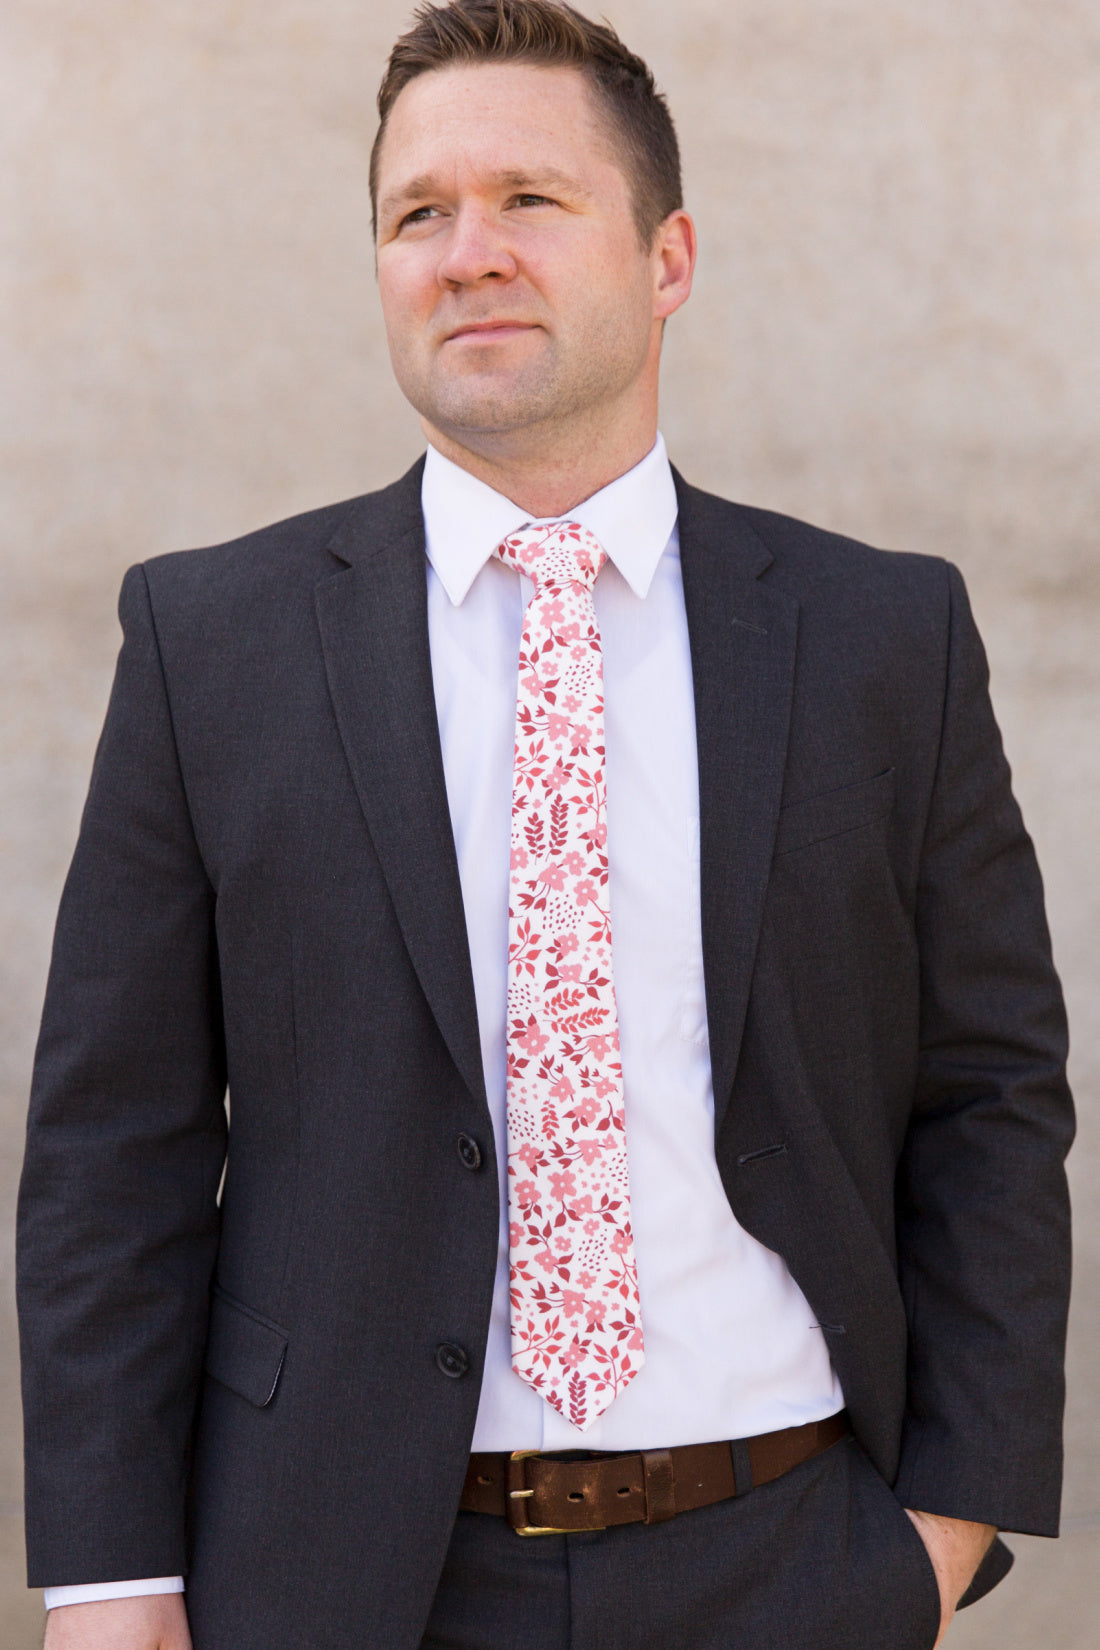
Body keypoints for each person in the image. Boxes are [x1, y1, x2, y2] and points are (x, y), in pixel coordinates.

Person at [17, 3, 1074, 1647]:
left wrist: (942, 1529)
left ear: (668, 259)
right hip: (337, 1582)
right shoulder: (210, 644)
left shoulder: (883, 638)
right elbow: (113, 1147)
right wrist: (109, 1582)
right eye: (416, 212)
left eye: (530, 198)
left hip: (794, 1560)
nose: (467, 252)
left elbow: (992, 1094)